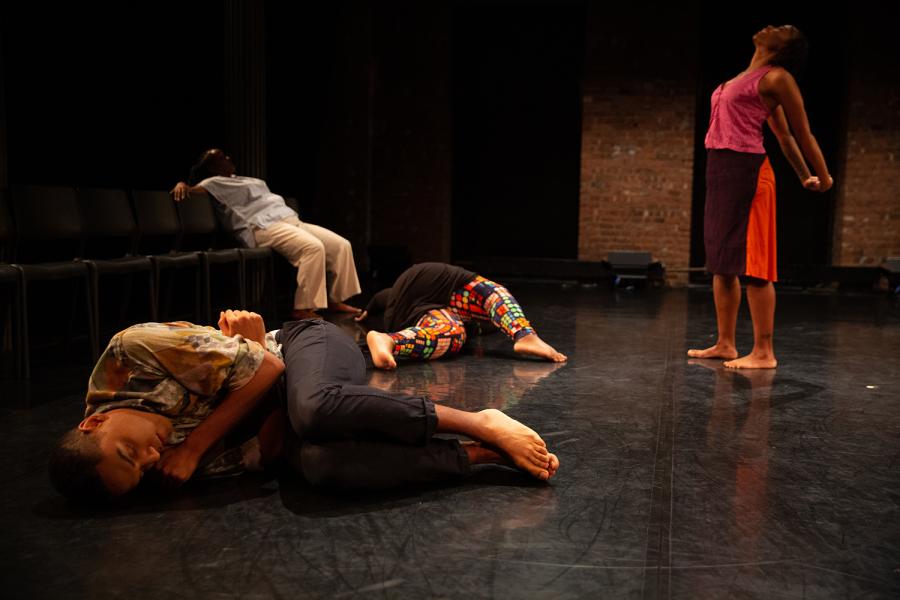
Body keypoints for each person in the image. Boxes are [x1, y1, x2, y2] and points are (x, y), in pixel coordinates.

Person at [48, 310, 559, 503]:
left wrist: (198, 443)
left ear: (96, 421)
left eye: (129, 451)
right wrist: (259, 397)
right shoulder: (166, 470)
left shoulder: (132, 354)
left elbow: (270, 367)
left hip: (303, 345)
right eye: (140, 472)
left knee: (314, 408)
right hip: (284, 408)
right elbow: (267, 451)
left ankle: (482, 422)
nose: (151, 458)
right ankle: (480, 456)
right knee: (321, 465)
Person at [688, 25, 833, 369]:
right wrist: (803, 176)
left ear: (784, 48)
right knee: (722, 263)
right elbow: (781, 136)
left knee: (755, 264)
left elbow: (799, 133)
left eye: (783, 29)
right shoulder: (745, 77)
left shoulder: (777, 77)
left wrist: (821, 177)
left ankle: (764, 352)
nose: (772, 27)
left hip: (749, 172)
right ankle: (726, 344)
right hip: (720, 169)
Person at [170, 149, 361, 319]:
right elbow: (191, 189)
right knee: (312, 248)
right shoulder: (213, 182)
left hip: (290, 220)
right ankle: (303, 307)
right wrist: (181, 184)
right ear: (211, 168)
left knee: (341, 245)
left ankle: (334, 300)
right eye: (220, 157)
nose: (227, 158)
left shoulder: (243, 179)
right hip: (262, 226)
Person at [356, 262, 567, 370]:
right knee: (492, 292)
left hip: (406, 315)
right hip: (431, 281)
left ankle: (389, 341)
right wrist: (371, 308)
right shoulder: (476, 302)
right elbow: (389, 295)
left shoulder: (472, 322)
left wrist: (371, 310)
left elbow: (389, 296)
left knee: (453, 334)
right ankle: (525, 335)